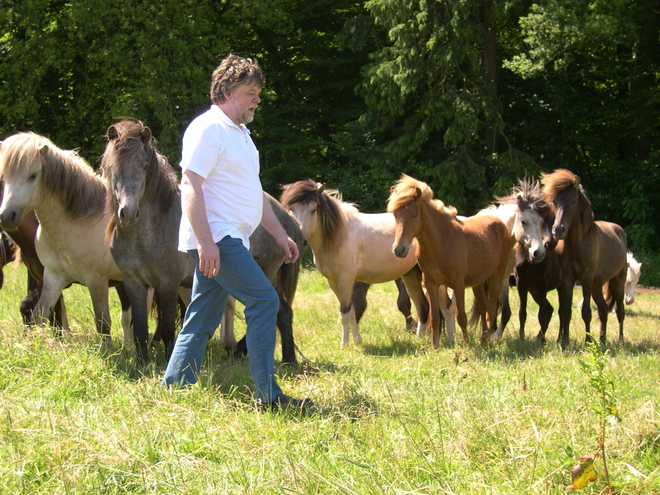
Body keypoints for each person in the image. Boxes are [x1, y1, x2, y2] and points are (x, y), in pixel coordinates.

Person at [163, 54, 312, 412]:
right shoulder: (208, 128)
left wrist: (280, 234)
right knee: (264, 301)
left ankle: (175, 387)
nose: (257, 98)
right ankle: (268, 396)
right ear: (227, 92)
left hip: (228, 239)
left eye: (258, 92)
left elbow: (254, 193)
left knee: (201, 316)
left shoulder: (242, 136)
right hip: (218, 238)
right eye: (251, 92)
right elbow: (190, 184)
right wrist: (206, 242)